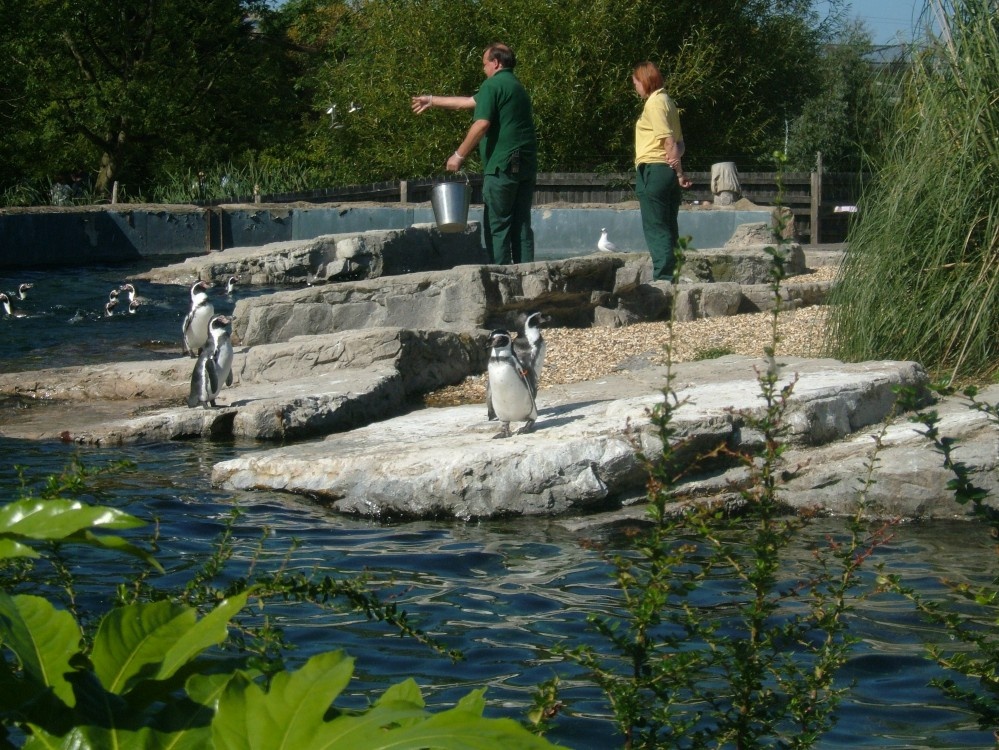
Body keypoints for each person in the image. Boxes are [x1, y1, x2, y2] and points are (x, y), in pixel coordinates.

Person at [411, 43, 537, 265]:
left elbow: (481, 124)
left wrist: (458, 155)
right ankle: (528, 274)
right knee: (521, 224)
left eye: (484, 64)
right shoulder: (515, 86)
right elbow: (468, 102)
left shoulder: (492, 85)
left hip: (502, 166)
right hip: (525, 166)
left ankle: (500, 279)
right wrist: (431, 100)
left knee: (497, 225)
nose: (483, 69)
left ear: (496, 63)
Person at [631, 61, 692, 282]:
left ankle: (664, 279)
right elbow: (680, 145)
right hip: (667, 172)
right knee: (669, 225)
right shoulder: (669, 102)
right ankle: (673, 276)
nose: (635, 87)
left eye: (636, 82)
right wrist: (678, 174)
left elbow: (668, 143)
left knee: (656, 226)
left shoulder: (654, 104)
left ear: (645, 81)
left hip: (653, 170)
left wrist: (678, 173)